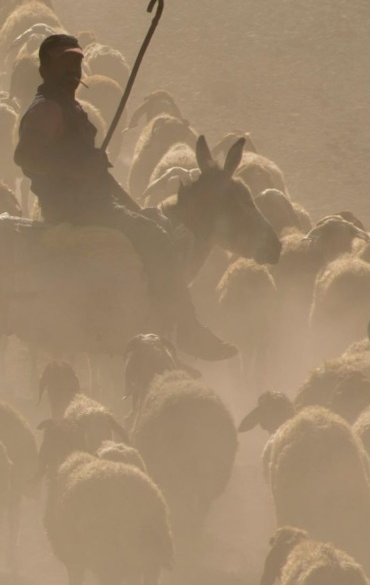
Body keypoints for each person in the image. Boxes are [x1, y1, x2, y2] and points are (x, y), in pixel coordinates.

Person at [13, 33, 236, 361]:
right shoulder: (47, 110)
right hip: (73, 209)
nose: (73, 71)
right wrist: (79, 166)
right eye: (64, 63)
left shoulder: (68, 108)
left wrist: (134, 208)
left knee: (154, 223)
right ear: (45, 69)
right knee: (156, 239)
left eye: (77, 62)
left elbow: (98, 176)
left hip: (94, 203)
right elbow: (25, 156)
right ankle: (186, 329)